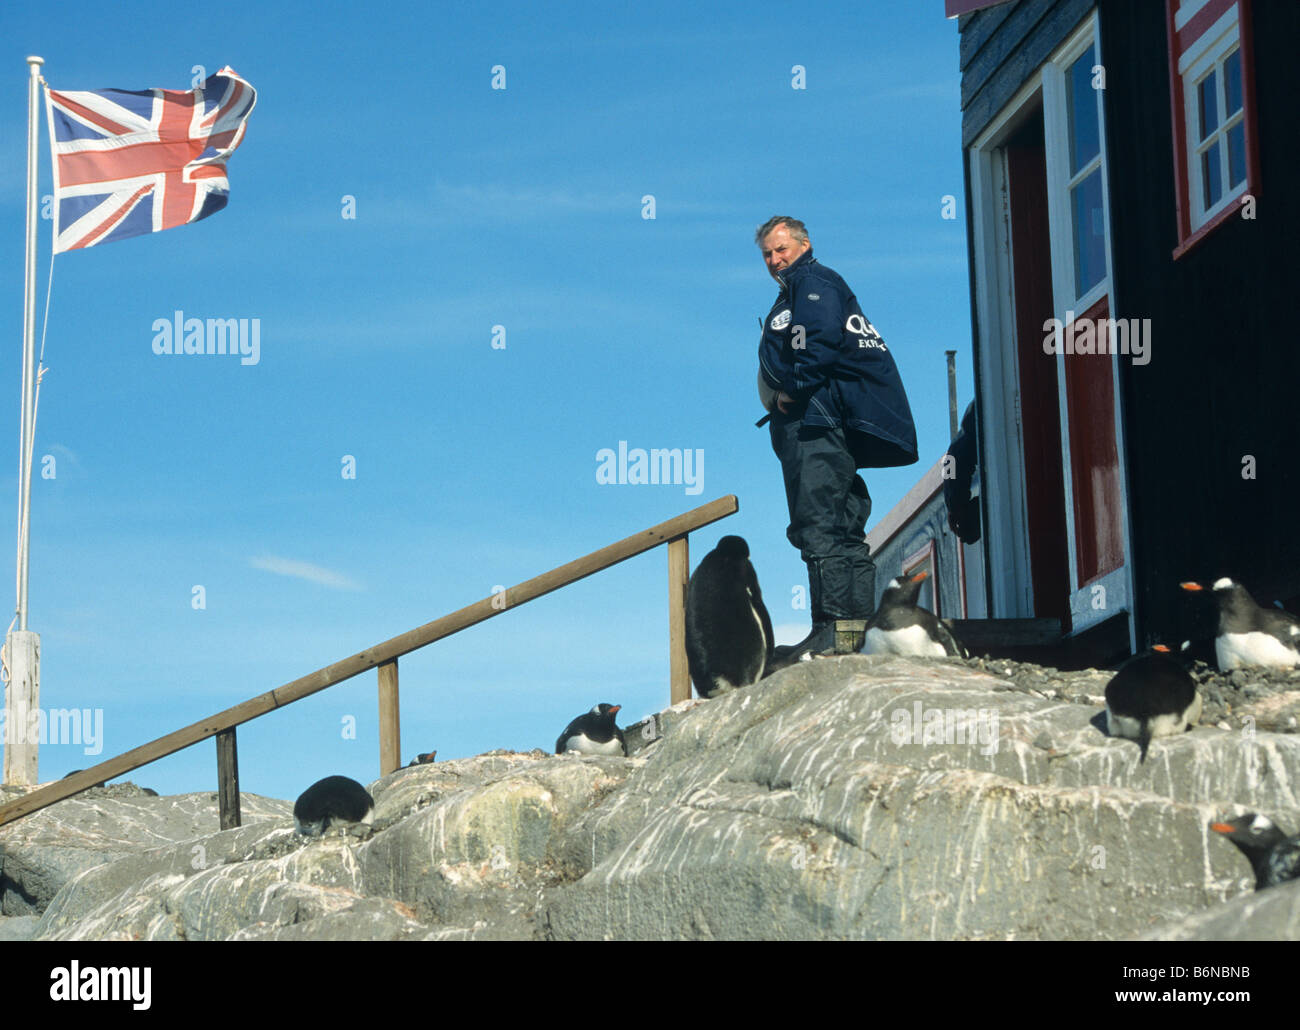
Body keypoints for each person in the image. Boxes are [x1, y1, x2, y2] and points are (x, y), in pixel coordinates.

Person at [755, 216, 918, 657]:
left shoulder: (813, 282)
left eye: (782, 249)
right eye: (768, 253)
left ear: (805, 245)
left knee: (820, 524)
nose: (775, 259)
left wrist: (793, 388)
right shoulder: (809, 285)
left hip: (815, 425)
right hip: (825, 426)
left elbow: (819, 337)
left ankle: (832, 629)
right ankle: (854, 631)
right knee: (842, 524)